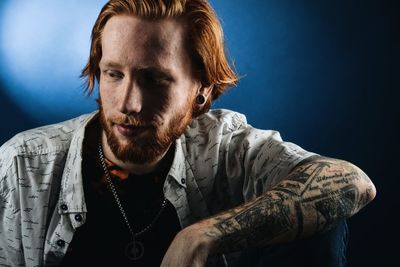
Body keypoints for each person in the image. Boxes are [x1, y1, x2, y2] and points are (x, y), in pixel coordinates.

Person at [0, 0, 376, 266]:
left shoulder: (225, 148)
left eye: (155, 79)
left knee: (316, 219)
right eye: (113, 74)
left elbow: (351, 183)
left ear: (203, 89)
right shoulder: (24, 166)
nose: (129, 103)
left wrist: (201, 237)